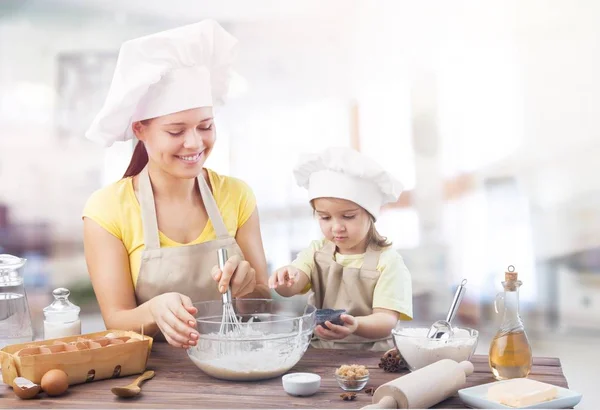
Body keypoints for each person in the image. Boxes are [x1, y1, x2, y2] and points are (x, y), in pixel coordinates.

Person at [82, 20, 270, 349]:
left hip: (237, 361)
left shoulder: (237, 195)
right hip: (157, 378)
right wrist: (153, 310)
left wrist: (248, 288)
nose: (194, 143)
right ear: (140, 130)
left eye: (205, 126)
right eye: (176, 131)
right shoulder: (107, 209)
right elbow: (116, 318)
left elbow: (263, 304)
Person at [269, 147, 413, 351]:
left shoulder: (388, 262)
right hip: (321, 353)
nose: (336, 227)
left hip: (372, 357)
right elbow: (291, 287)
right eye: (325, 217)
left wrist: (355, 325)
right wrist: (285, 279)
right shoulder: (316, 251)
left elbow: (386, 319)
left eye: (348, 216)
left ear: (370, 215)